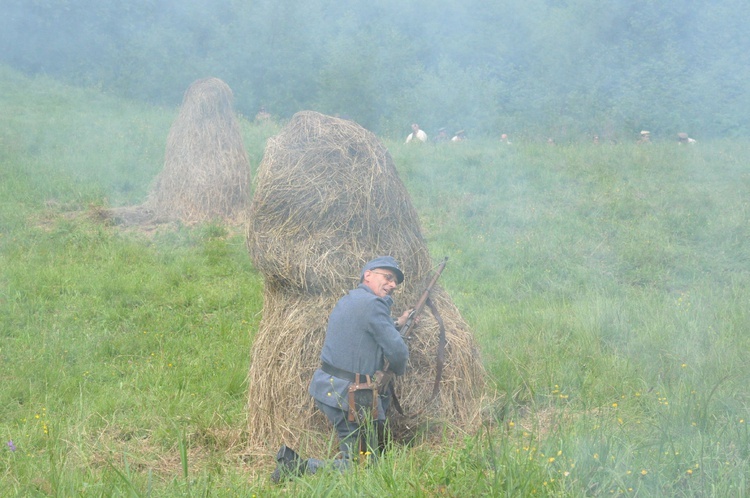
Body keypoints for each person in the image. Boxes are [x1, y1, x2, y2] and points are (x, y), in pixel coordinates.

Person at [271, 256, 411, 483]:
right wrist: (395, 370)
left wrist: (395, 324)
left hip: (329, 389)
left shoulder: (350, 300)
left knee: (366, 450)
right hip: (352, 398)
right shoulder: (373, 305)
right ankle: (299, 467)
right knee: (363, 466)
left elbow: (365, 326)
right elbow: (398, 352)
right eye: (388, 277)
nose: (393, 284)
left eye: (395, 281)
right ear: (368, 274)